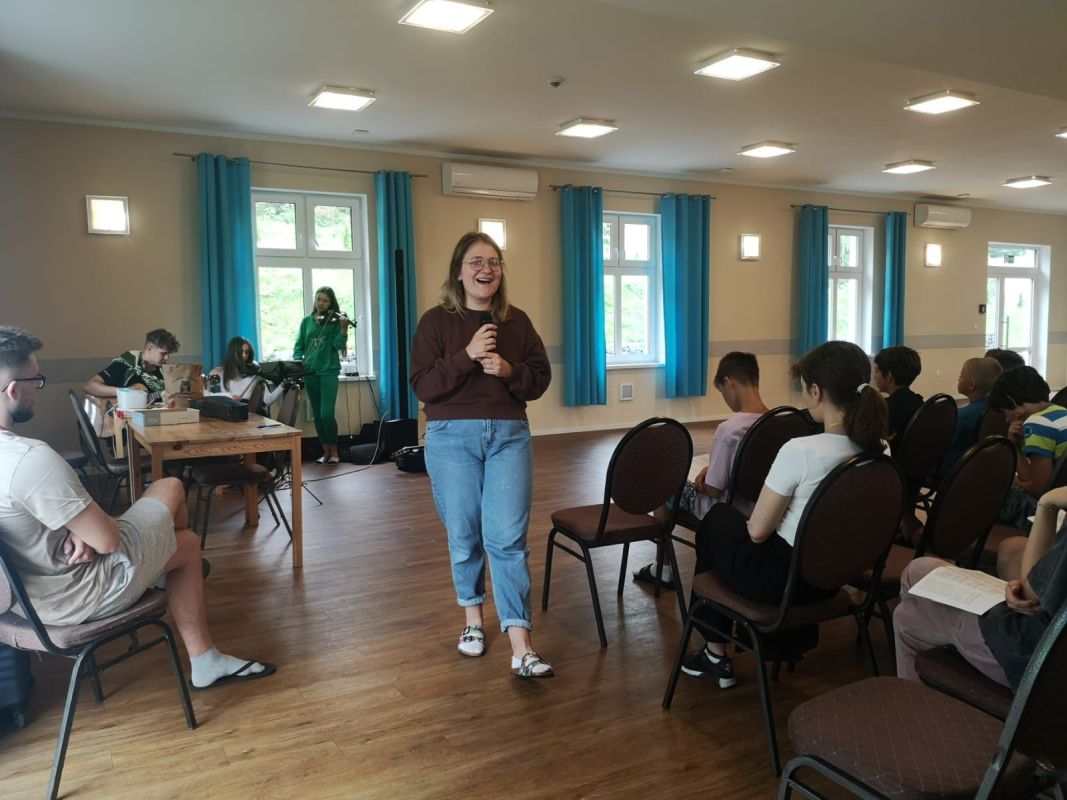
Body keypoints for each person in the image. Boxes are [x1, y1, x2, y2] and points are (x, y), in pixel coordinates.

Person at [0, 326, 274, 689]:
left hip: (23, 600)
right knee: (182, 525)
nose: (38, 388)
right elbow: (108, 540)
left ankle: (165, 572)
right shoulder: (31, 459)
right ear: (13, 389)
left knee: (169, 511)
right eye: (36, 380)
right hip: (73, 596)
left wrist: (72, 525)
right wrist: (89, 532)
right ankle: (202, 653)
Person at [681, 340, 888, 688]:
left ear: (816, 391)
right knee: (728, 528)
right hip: (835, 577)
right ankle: (756, 646)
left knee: (718, 522)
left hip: (785, 583)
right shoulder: (881, 449)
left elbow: (757, 532)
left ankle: (715, 652)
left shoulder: (801, 450)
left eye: (804, 388)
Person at [410, 232, 553, 678]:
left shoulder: (517, 321)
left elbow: (539, 379)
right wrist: (466, 356)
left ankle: (521, 646)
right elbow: (422, 385)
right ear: (459, 271)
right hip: (451, 438)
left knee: (508, 539)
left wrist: (509, 370)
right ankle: (473, 619)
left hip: (509, 435)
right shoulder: (435, 322)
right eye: (476, 261)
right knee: (465, 534)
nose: (486, 269)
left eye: (494, 262)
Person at [894, 485, 1067, 690]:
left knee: (917, 571)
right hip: (1046, 656)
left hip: (1033, 659)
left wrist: (1047, 504)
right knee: (905, 617)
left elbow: (1030, 598)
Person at [633, 351, 770, 589]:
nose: (725, 399)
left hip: (722, 510)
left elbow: (715, 490)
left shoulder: (729, 430)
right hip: (759, 508)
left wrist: (702, 480)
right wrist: (712, 467)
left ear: (729, 382)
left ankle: (663, 569)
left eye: (722, 392)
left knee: (663, 484)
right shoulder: (777, 421)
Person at [987, 366, 1067, 531]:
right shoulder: (1061, 411)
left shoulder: (1036, 424)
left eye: (1004, 412)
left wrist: (1016, 482)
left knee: (991, 485)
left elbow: (1040, 489)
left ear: (1012, 402)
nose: (1006, 419)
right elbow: (1036, 479)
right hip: (1062, 497)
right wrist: (1016, 446)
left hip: (1055, 511)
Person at [293, 288, 349, 464]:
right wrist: (298, 361)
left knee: (326, 413)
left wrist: (344, 329)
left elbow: (338, 345)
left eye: (325, 301)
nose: (321, 303)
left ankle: (335, 451)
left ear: (331, 303)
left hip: (328, 371)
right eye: (319, 300)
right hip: (310, 372)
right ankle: (325, 452)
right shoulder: (306, 322)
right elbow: (299, 345)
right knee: (317, 414)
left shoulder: (334, 322)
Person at [84, 328, 180, 403]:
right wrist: (126, 391)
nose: (167, 358)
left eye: (169, 354)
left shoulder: (164, 372)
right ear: (149, 348)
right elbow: (89, 386)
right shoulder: (125, 365)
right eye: (163, 353)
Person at [941, 356, 1002, 472]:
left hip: (956, 469)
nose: (958, 379)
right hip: (982, 468)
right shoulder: (995, 409)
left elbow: (944, 443)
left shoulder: (963, 416)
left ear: (971, 385)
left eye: (961, 376)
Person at [209, 336, 283, 411]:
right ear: (232, 353)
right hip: (228, 412)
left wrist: (282, 386)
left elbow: (268, 401)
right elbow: (204, 393)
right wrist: (228, 396)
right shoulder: (219, 372)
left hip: (249, 413)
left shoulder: (254, 372)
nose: (244, 355)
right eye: (240, 352)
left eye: (246, 352)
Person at [873, 345, 923, 444]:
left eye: (877, 371)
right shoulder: (920, 402)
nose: (875, 376)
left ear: (889, 376)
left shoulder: (884, 408)